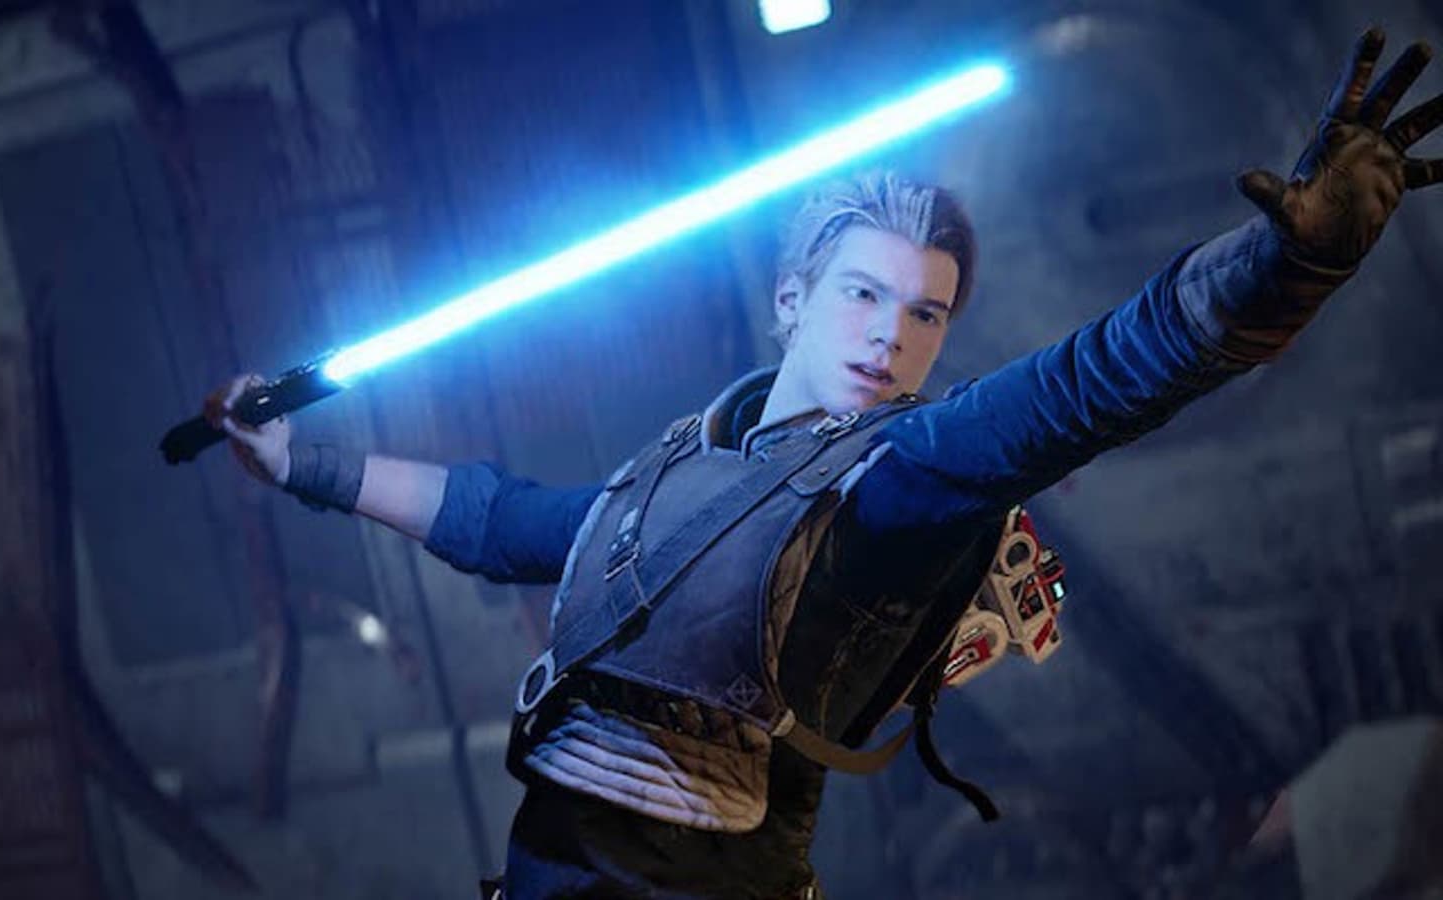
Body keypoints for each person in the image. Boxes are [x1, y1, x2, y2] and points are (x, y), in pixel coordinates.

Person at [204, 30, 1443, 899]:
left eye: (924, 314)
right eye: (862, 294)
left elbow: (1090, 383)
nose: (890, 335)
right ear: (792, 300)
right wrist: (300, 458)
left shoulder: (900, 472)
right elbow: (505, 521)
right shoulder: (679, 474)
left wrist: (1286, 268)